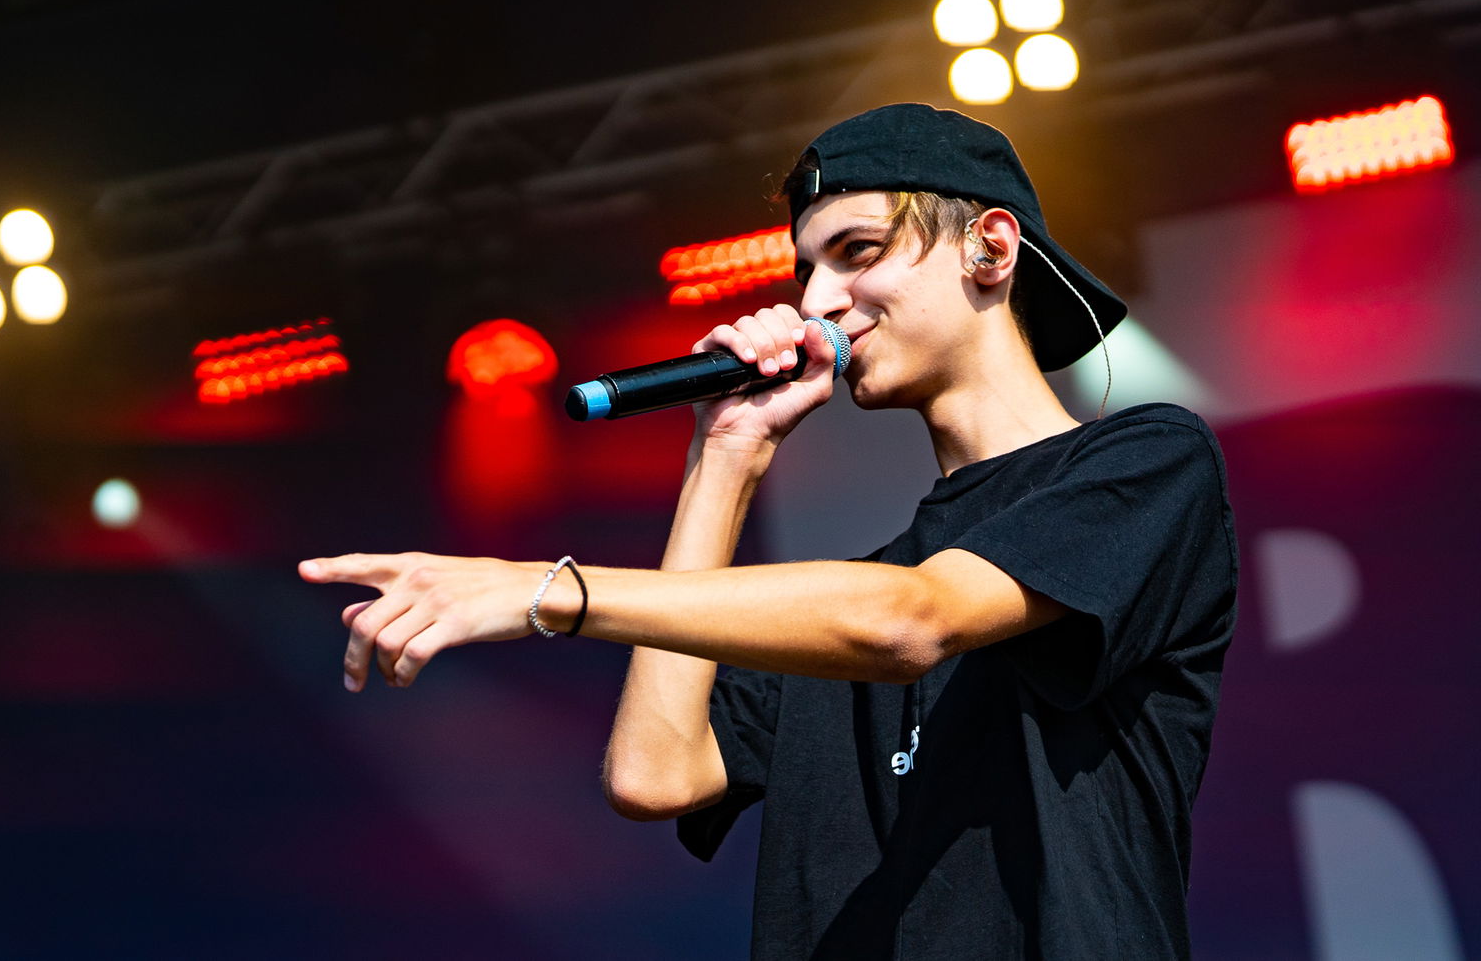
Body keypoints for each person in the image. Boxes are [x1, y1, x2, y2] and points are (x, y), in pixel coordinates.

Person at [300, 103, 1239, 959]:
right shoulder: (837, 609)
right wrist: (726, 457)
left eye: (857, 251)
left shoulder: (1150, 463)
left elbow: (916, 622)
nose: (818, 300)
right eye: (808, 270)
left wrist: (548, 590)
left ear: (989, 248)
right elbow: (654, 775)